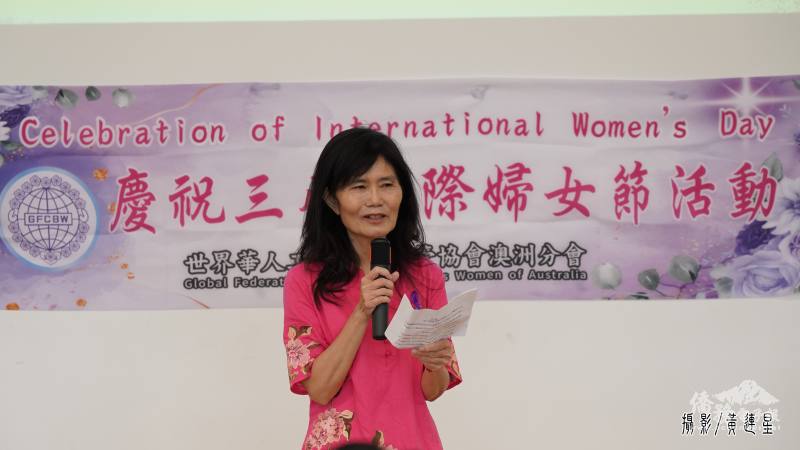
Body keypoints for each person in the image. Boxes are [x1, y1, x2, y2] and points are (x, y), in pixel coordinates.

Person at [283, 128, 462, 450]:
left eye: (387, 185)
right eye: (359, 186)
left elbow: (433, 390)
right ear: (331, 200)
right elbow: (320, 389)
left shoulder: (425, 276)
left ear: (402, 194)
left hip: (412, 440)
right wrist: (362, 312)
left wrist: (436, 362)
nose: (375, 200)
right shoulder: (304, 281)